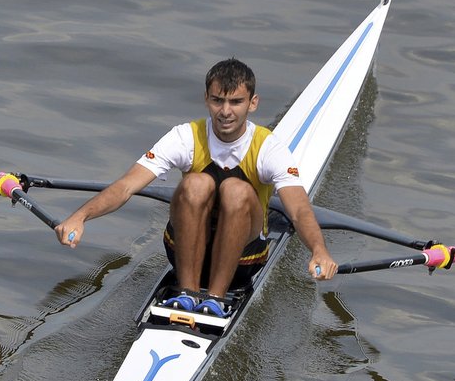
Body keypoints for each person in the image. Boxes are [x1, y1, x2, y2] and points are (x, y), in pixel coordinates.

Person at [54, 58, 337, 317]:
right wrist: (80, 216)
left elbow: (298, 210)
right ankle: (186, 292)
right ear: (206, 99)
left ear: (253, 103)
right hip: (182, 252)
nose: (225, 112)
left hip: (243, 260)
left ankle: (216, 298)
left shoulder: (268, 147)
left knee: (235, 190)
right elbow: (127, 186)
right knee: (196, 183)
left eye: (236, 102)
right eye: (217, 101)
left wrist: (319, 249)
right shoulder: (185, 136)